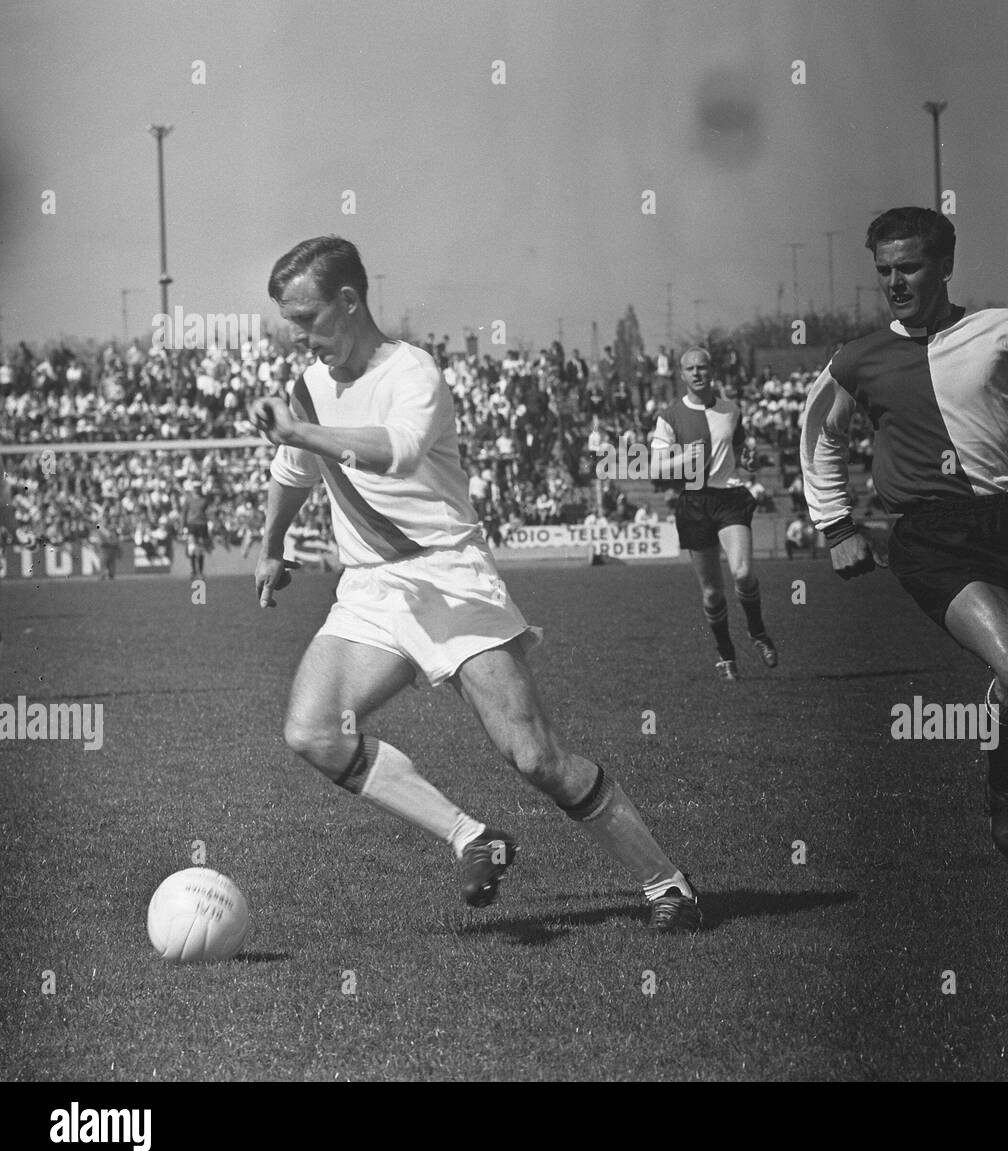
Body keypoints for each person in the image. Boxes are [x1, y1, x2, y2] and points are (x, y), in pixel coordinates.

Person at [250, 236, 700, 932]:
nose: (300, 336)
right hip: (370, 590)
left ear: (349, 300)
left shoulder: (413, 372)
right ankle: (471, 836)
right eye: (290, 322)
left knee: (536, 758)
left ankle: (666, 881)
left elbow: (396, 455)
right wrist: (271, 546)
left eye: (308, 318)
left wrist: (303, 434)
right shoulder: (309, 388)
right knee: (313, 731)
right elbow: (292, 473)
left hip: (449, 583)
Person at [800, 207, 1008, 866]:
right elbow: (818, 437)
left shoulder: (1007, 329)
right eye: (884, 270)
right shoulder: (858, 359)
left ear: (945, 265)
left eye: (909, 267)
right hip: (933, 536)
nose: (895, 281)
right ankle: (1007, 791)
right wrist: (836, 525)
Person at [650, 346, 777, 681]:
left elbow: (738, 448)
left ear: (712, 371)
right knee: (712, 592)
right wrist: (686, 458)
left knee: (744, 574)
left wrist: (747, 460)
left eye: (702, 367)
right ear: (681, 374)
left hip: (729, 497)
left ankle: (757, 632)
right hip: (693, 502)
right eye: (690, 368)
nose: (697, 373)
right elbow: (655, 468)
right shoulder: (669, 416)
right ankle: (726, 655)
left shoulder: (731, 410)